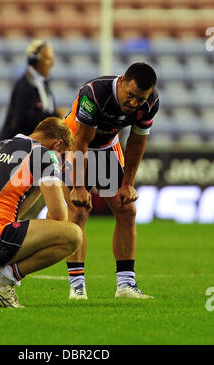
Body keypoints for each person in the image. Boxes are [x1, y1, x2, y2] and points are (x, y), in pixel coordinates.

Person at [0, 117, 82, 308]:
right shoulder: (45, 154)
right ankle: (2, 284)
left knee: (6, 224)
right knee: (72, 235)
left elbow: (10, 208)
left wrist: (37, 186)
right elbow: (58, 217)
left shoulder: (0, 146)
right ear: (57, 144)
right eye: (62, 156)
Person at [63, 62, 160, 300]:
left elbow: (137, 141)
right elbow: (82, 142)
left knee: (127, 210)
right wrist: (78, 186)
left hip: (106, 147)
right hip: (74, 146)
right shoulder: (95, 94)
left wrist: (128, 183)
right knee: (79, 211)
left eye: (141, 99)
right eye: (131, 96)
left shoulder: (151, 102)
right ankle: (77, 286)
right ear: (123, 81)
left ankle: (126, 285)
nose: (134, 103)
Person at [0, 39, 67, 140]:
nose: (52, 63)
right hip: (17, 148)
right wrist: (55, 116)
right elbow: (23, 121)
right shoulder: (24, 86)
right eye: (48, 59)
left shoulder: (43, 84)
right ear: (34, 60)